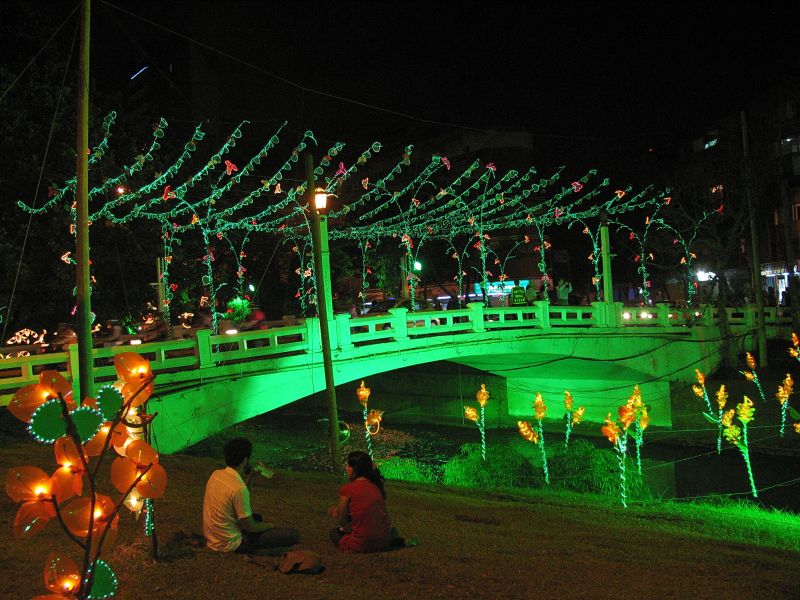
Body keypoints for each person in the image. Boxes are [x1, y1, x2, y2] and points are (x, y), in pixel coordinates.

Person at [203, 438, 300, 554]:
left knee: (257, 517)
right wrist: (269, 526)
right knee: (292, 534)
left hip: (214, 537)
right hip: (230, 543)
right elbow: (250, 527)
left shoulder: (216, 474)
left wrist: (251, 477)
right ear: (245, 460)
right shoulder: (238, 488)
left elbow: (240, 500)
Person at [328, 451, 399, 553]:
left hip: (362, 543)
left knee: (334, 533)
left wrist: (338, 512)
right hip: (383, 541)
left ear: (355, 469)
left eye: (348, 465)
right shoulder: (376, 486)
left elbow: (342, 521)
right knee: (391, 530)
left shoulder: (347, 489)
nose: (346, 468)